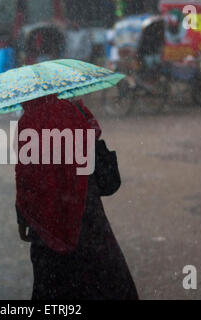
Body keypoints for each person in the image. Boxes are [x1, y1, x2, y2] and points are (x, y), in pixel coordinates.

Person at [15, 94, 138, 300]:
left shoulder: (27, 122)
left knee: (55, 286)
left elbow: (25, 178)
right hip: (86, 212)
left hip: (46, 224)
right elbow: (94, 153)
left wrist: (23, 219)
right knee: (102, 278)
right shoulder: (75, 111)